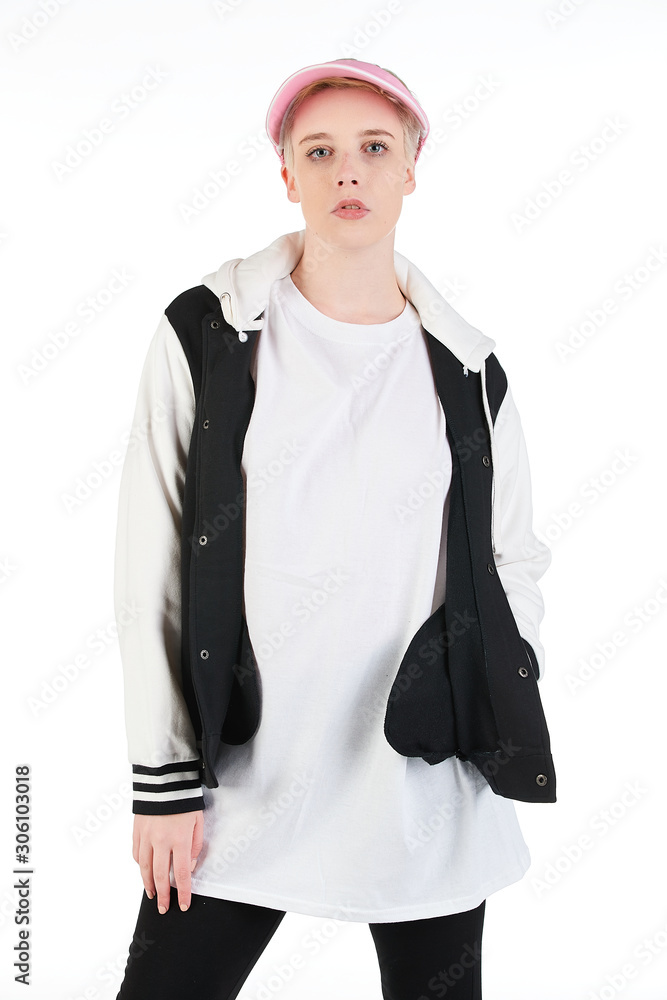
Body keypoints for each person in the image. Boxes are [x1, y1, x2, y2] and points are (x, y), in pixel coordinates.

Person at [112, 57, 556, 1000]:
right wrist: (164, 779)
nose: (347, 170)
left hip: (421, 786)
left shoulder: (469, 369)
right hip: (239, 782)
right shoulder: (208, 334)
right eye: (318, 151)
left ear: (410, 169)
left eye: (374, 148)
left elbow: (511, 557)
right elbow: (150, 567)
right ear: (287, 174)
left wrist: (491, 684)